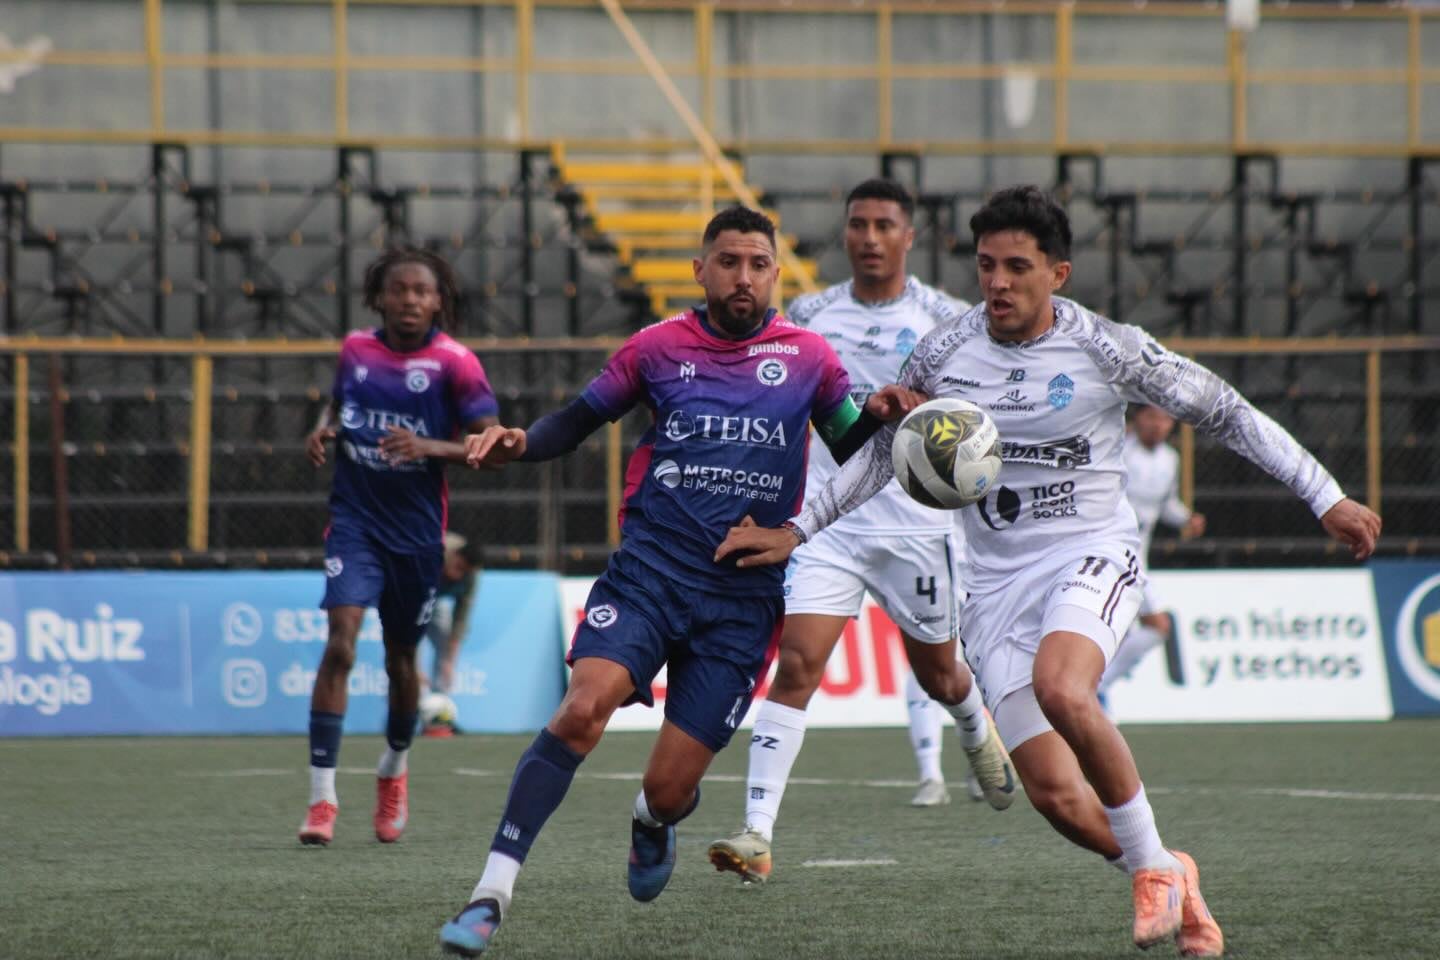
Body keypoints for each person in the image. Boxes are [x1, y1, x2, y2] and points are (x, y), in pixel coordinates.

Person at [715, 186, 1381, 955]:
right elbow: (881, 461)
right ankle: (1167, 866)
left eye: (1018, 268)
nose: (997, 283)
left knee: (1067, 688)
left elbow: (1224, 410)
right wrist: (798, 531)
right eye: (987, 265)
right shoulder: (944, 350)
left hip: (1088, 550)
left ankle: (1152, 876)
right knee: (1057, 798)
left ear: (1058, 273)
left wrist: (1324, 495)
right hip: (994, 585)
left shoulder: (1107, 348)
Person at [437, 206, 921, 957]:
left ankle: (651, 820)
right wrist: (518, 442)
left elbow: (854, 439)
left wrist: (887, 413)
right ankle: (490, 892)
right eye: (728, 261)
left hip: (742, 599)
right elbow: (576, 420)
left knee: (670, 791)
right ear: (701, 270)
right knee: (580, 711)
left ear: (776, 274)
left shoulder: (808, 358)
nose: (744, 276)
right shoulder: (657, 348)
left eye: (759, 263)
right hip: (650, 573)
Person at [706, 179, 1016, 889]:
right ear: (845, 235)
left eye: (884, 225)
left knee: (940, 675)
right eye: (858, 224)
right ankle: (758, 833)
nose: (870, 237)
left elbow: (986, 411)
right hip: (829, 522)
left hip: (916, 524)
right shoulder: (809, 314)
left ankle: (973, 728)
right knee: (797, 666)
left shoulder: (949, 319)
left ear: (909, 237)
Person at [298, 247, 500, 847]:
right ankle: (322, 800)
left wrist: (429, 447)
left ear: (439, 300)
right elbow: (339, 401)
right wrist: (323, 427)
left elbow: (491, 440)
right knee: (339, 644)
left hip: (415, 536)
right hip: (354, 520)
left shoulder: (456, 363)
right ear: (379, 297)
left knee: (399, 662)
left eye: (422, 290)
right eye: (400, 289)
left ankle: (393, 767)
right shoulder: (356, 348)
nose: (411, 299)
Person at [1098, 405, 1206, 701]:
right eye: (1152, 417)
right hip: (1109, 551)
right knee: (1125, 626)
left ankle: (1098, 687)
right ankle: (1095, 689)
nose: (1159, 425)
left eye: (1165, 419)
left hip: (1137, 558)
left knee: (1156, 628)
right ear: (1138, 418)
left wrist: (1186, 518)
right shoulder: (1120, 453)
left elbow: (1165, 506)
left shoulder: (1170, 460)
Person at [420, 531, 485, 699]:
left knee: (444, 641)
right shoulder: (434, 551)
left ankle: (439, 705)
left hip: (436, 602)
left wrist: (449, 663)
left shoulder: (472, 576)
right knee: (405, 650)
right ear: (454, 555)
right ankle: (408, 705)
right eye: (458, 568)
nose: (459, 575)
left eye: (465, 572)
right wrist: (414, 668)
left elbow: (460, 620)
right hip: (412, 597)